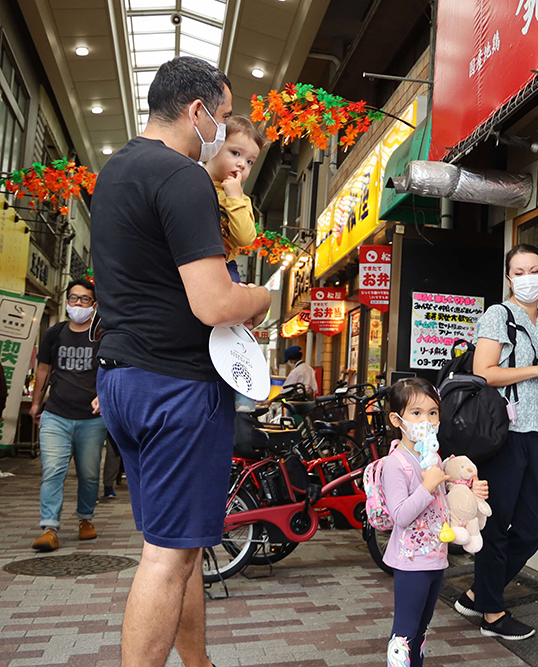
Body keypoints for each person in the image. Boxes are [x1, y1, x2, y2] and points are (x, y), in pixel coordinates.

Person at [90, 56, 271, 667]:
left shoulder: (114, 172)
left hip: (122, 382)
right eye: (220, 118)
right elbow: (215, 302)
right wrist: (264, 297)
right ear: (197, 112)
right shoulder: (183, 177)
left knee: (178, 545)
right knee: (168, 557)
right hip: (177, 390)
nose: (222, 133)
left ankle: (199, 663)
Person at [455, 244, 538, 640]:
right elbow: (483, 372)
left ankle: (477, 594)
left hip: (537, 434)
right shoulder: (497, 315)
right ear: (509, 278)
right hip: (503, 436)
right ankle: (492, 613)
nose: (527, 278)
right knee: (496, 525)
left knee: (535, 526)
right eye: (519, 271)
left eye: (534, 269)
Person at [383, 377, 487, 667]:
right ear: (397, 419)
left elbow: (445, 502)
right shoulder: (396, 463)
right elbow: (401, 515)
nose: (426, 420)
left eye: (432, 412)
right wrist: (427, 486)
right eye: (416, 413)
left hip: (435, 558)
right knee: (403, 635)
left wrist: (466, 491)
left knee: (421, 630)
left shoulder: (434, 457)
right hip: (410, 561)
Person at [29, 279, 105, 552]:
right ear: (67, 302)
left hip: (92, 419)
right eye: (73, 298)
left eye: (85, 299)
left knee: (88, 473)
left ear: (94, 304)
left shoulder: (102, 335)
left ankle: (86, 519)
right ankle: (49, 528)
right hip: (56, 415)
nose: (78, 304)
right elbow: (43, 369)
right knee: (52, 471)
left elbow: (112, 372)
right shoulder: (54, 333)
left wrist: (103, 395)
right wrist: (37, 402)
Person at [202, 115, 265, 283]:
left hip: (223, 267)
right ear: (213, 147)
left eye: (250, 161)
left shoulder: (241, 200)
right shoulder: (191, 181)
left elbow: (244, 239)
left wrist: (235, 198)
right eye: (236, 153)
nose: (242, 164)